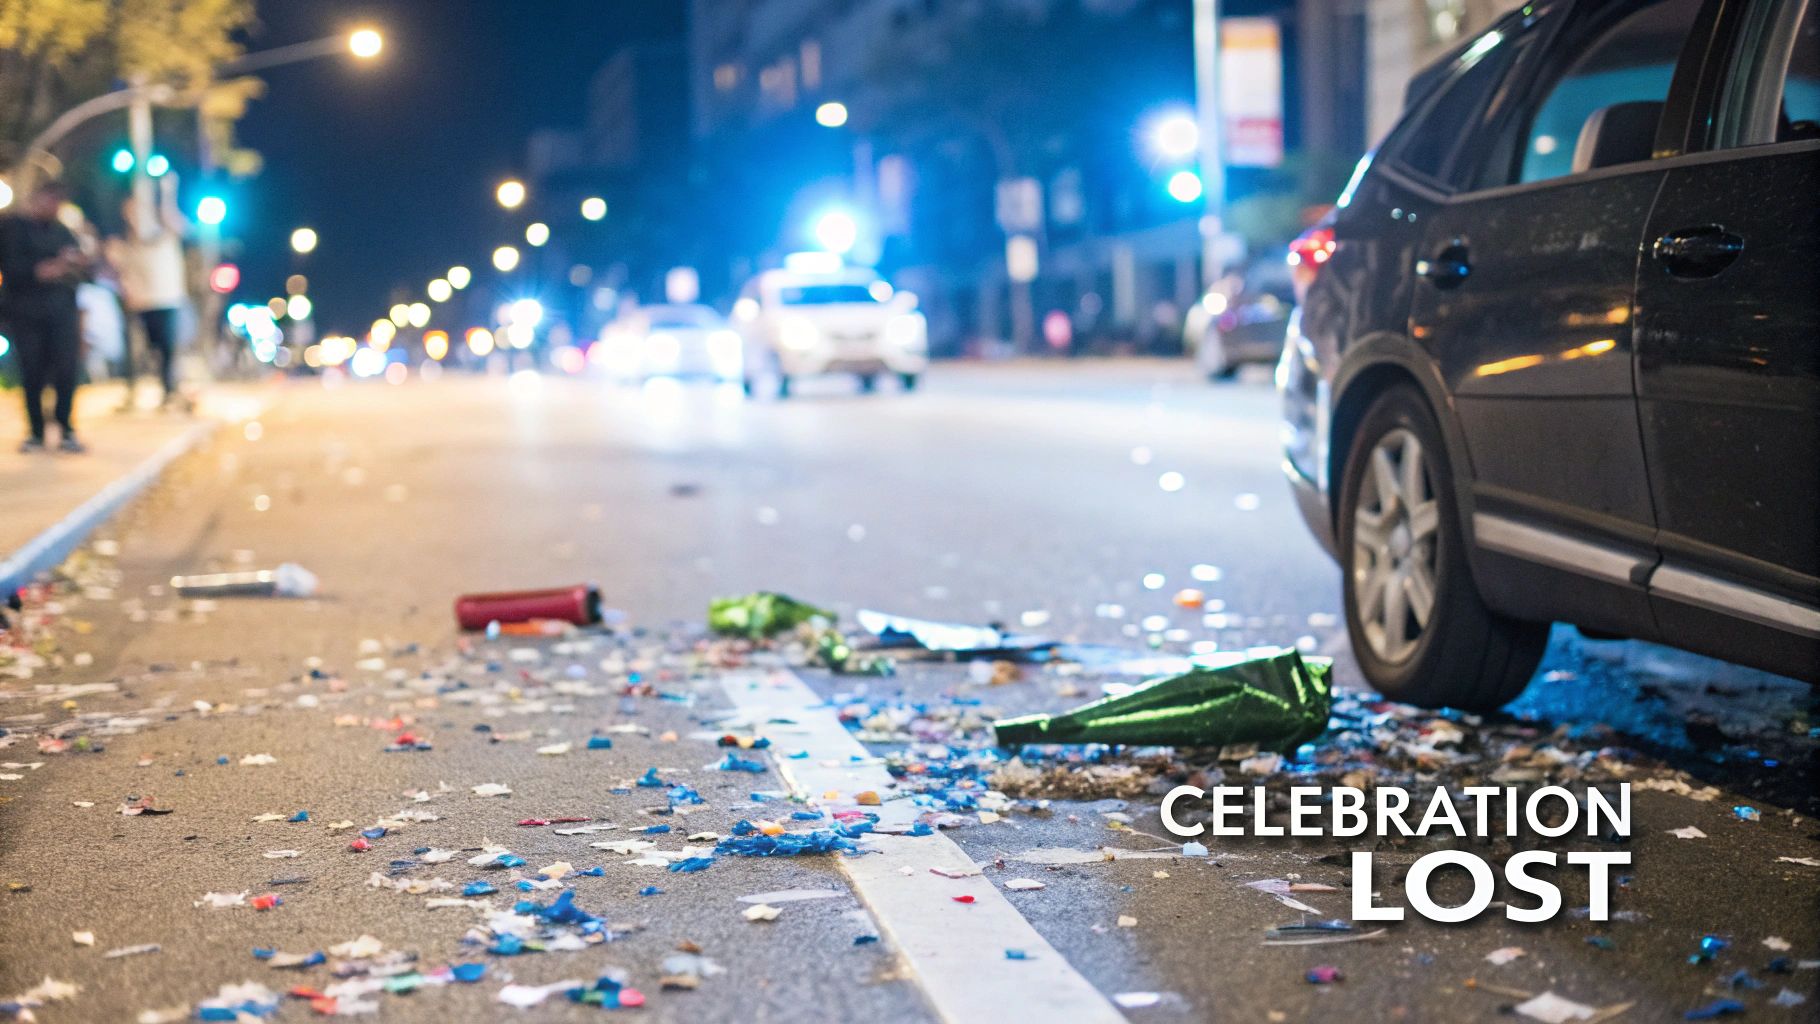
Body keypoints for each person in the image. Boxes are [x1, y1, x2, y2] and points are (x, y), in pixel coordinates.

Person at [0, 181, 89, 453]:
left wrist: (75, 262)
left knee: (65, 370)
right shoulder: (13, 228)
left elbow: (81, 265)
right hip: (26, 313)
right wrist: (45, 269)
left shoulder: (62, 230)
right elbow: (13, 269)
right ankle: (36, 432)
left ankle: (66, 428)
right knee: (32, 372)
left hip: (61, 311)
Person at [107, 176, 189, 408]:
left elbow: (175, 221)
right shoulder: (124, 244)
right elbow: (115, 271)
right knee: (134, 352)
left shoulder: (165, 235)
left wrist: (167, 193)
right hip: (138, 303)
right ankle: (132, 392)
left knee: (167, 350)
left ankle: (169, 392)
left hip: (166, 300)